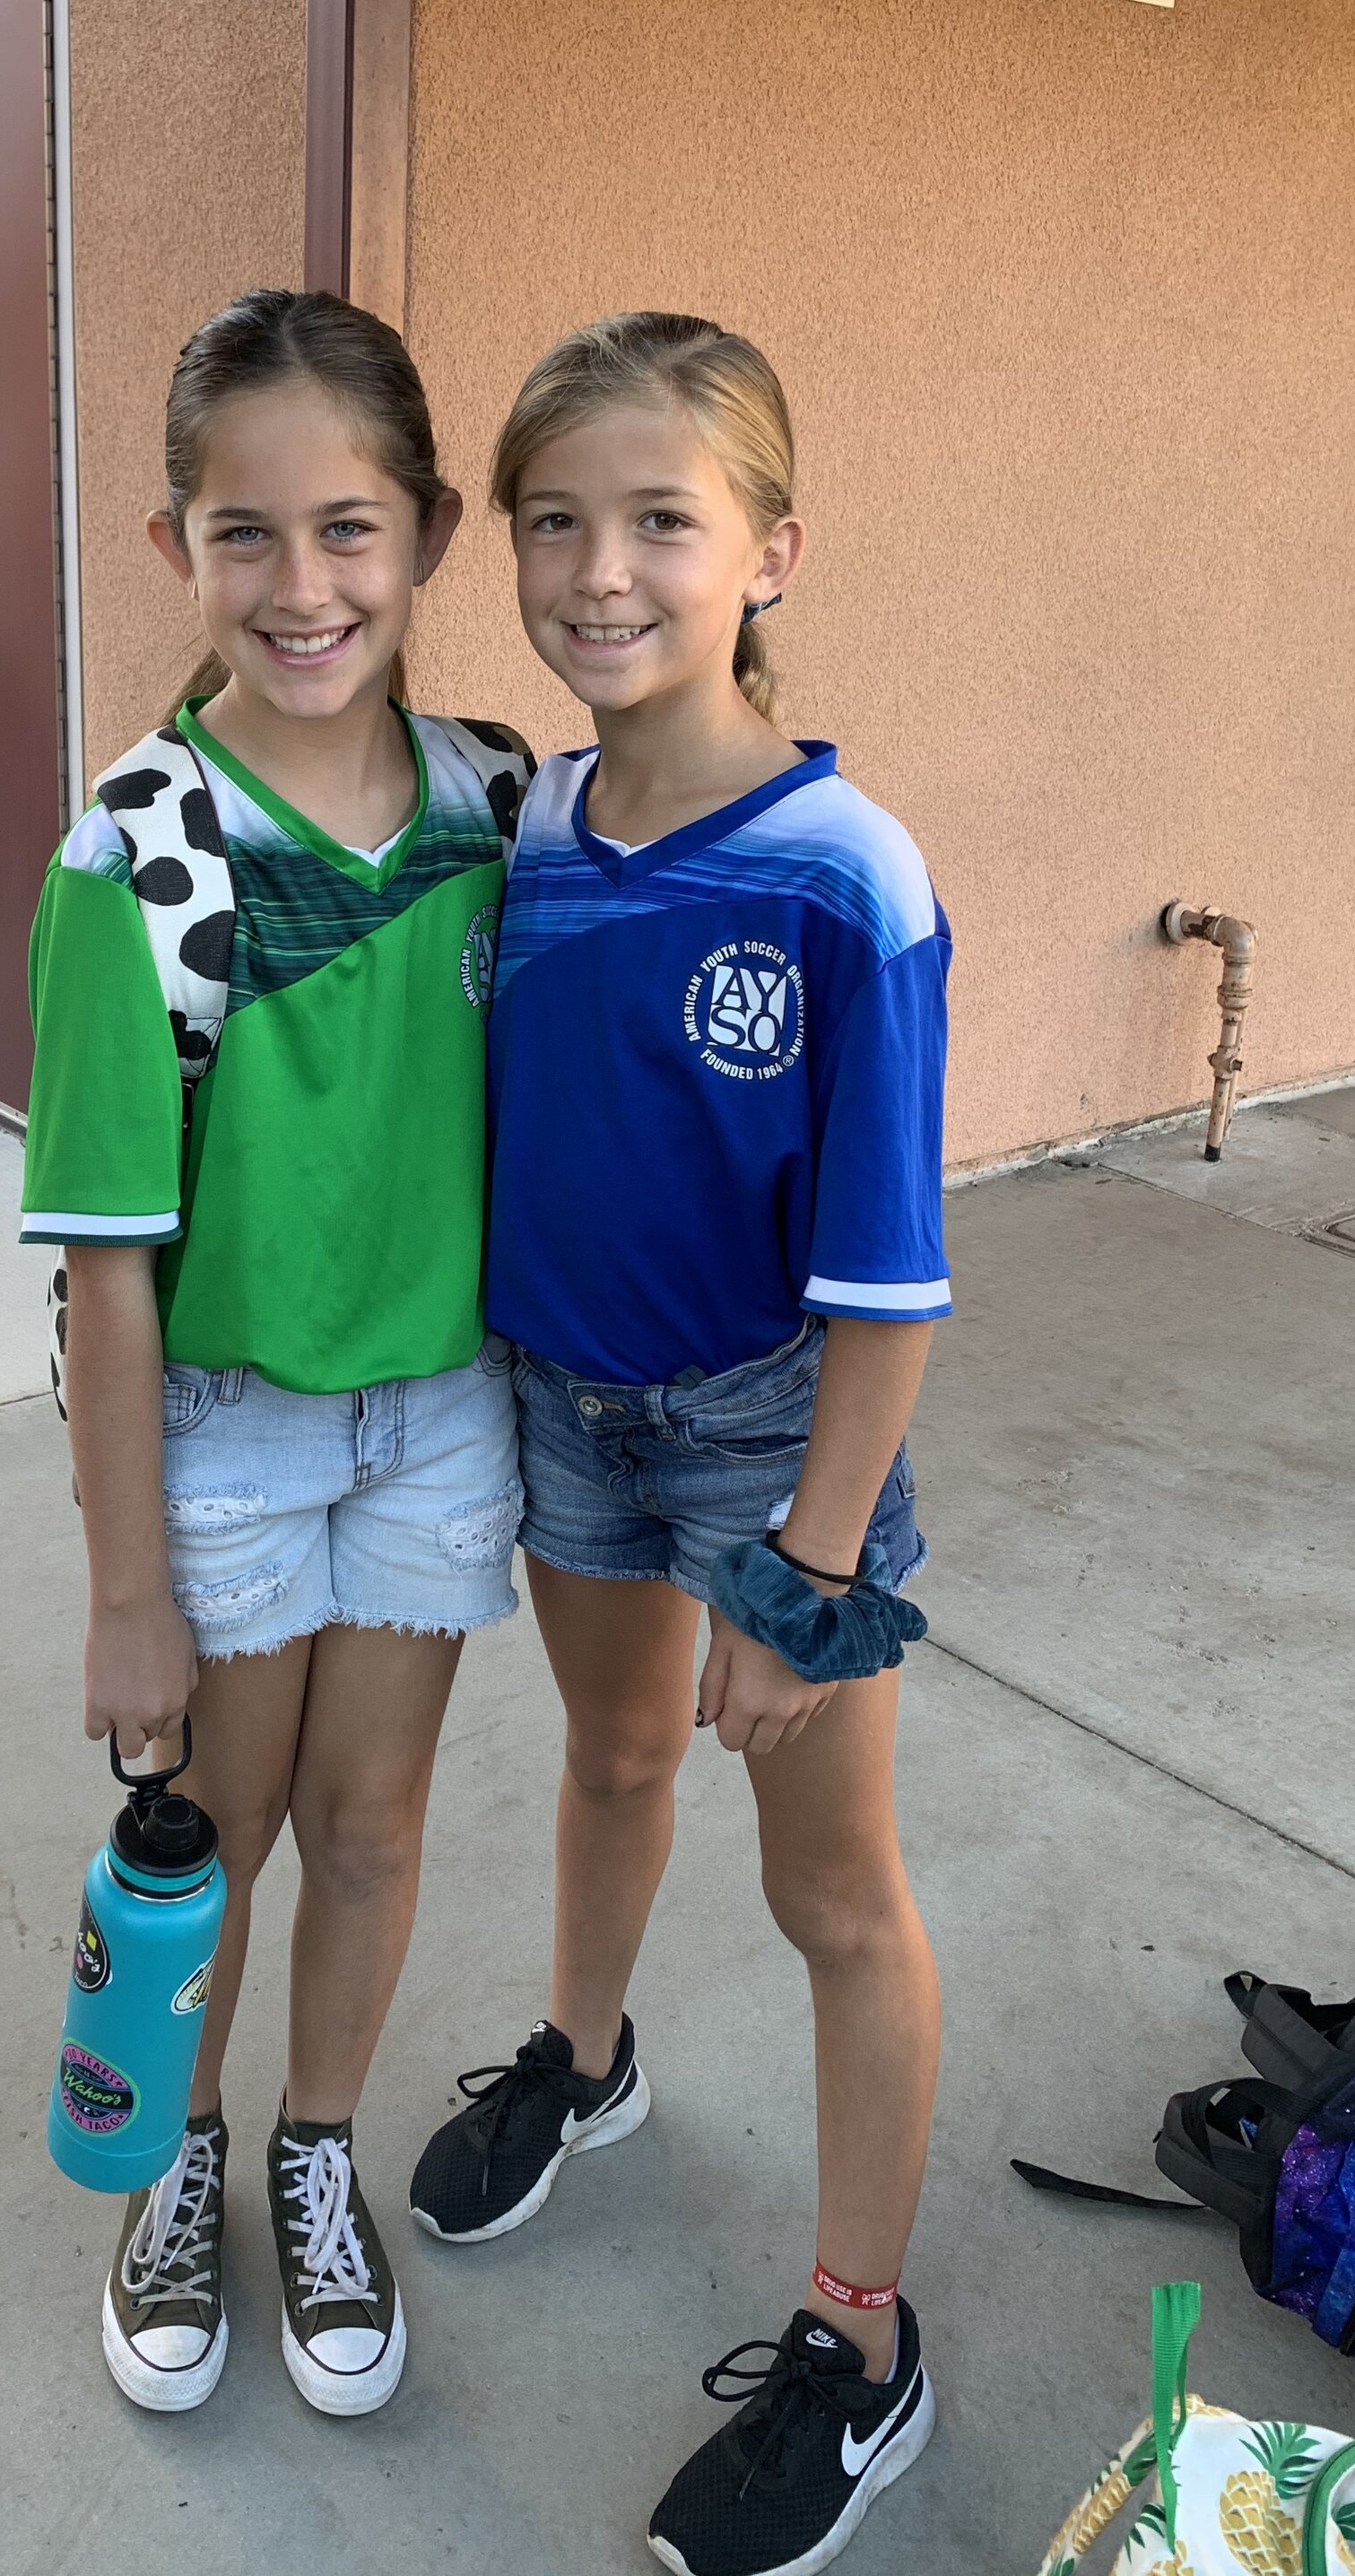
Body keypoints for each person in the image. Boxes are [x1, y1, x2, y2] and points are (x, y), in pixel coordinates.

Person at [408, 314, 951, 2574]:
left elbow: (889, 1277)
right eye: (552, 520)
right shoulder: (521, 820)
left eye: (659, 519)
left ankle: (860, 2336)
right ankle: (586, 2056)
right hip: (564, 1406)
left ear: (770, 550)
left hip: (761, 1445)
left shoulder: (842, 867)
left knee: (827, 1888)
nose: (598, 569)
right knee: (609, 1761)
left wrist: (804, 1561)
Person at [21, 288, 532, 2421]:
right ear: (175, 550)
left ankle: (315, 2141)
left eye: (347, 528)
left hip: (441, 1418)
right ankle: (179, 2150)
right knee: (216, 1836)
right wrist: (125, 1585)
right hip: (222, 1436)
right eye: (247, 535)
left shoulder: (506, 800)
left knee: (378, 1818)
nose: (302, 585)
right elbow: (108, 1271)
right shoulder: (130, 852)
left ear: (422, 532)